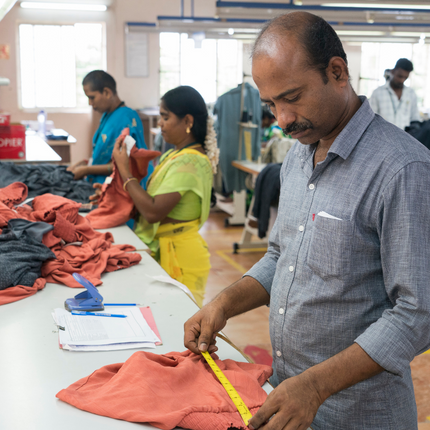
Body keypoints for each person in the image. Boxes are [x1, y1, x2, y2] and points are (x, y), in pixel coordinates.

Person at [184, 12, 430, 430]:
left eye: (292, 97)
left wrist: (315, 387)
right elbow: (283, 257)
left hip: (358, 415)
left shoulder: (402, 169)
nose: (282, 119)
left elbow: (417, 313)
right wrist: (223, 305)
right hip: (289, 398)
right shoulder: (299, 153)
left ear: (337, 72)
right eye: (271, 104)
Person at [111, 86, 219, 307]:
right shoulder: (174, 154)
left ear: (188, 121)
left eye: (165, 117)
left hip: (181, 256)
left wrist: (125, 171)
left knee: (179, 322)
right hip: (166, 248)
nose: (160, 123)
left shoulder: (190, 161)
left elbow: (152, 211)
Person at [67, 70, 152, 185]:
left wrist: (86, 170)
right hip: (100, 183)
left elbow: (126, 165)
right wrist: (87, 163)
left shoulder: (126, 119)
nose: (90, 103)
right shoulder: (107, 115)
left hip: (120, 188)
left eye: (92, 97)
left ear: (107, 92)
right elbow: (105, 155)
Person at [369, 58, 421, 130]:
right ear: (393, 72)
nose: (402, 80)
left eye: (405, 78)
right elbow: (371, 119)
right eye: (400, 76)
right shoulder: (378, 93)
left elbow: (415, 117)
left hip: (404, 137)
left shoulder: (411, 93)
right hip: (382, 137)